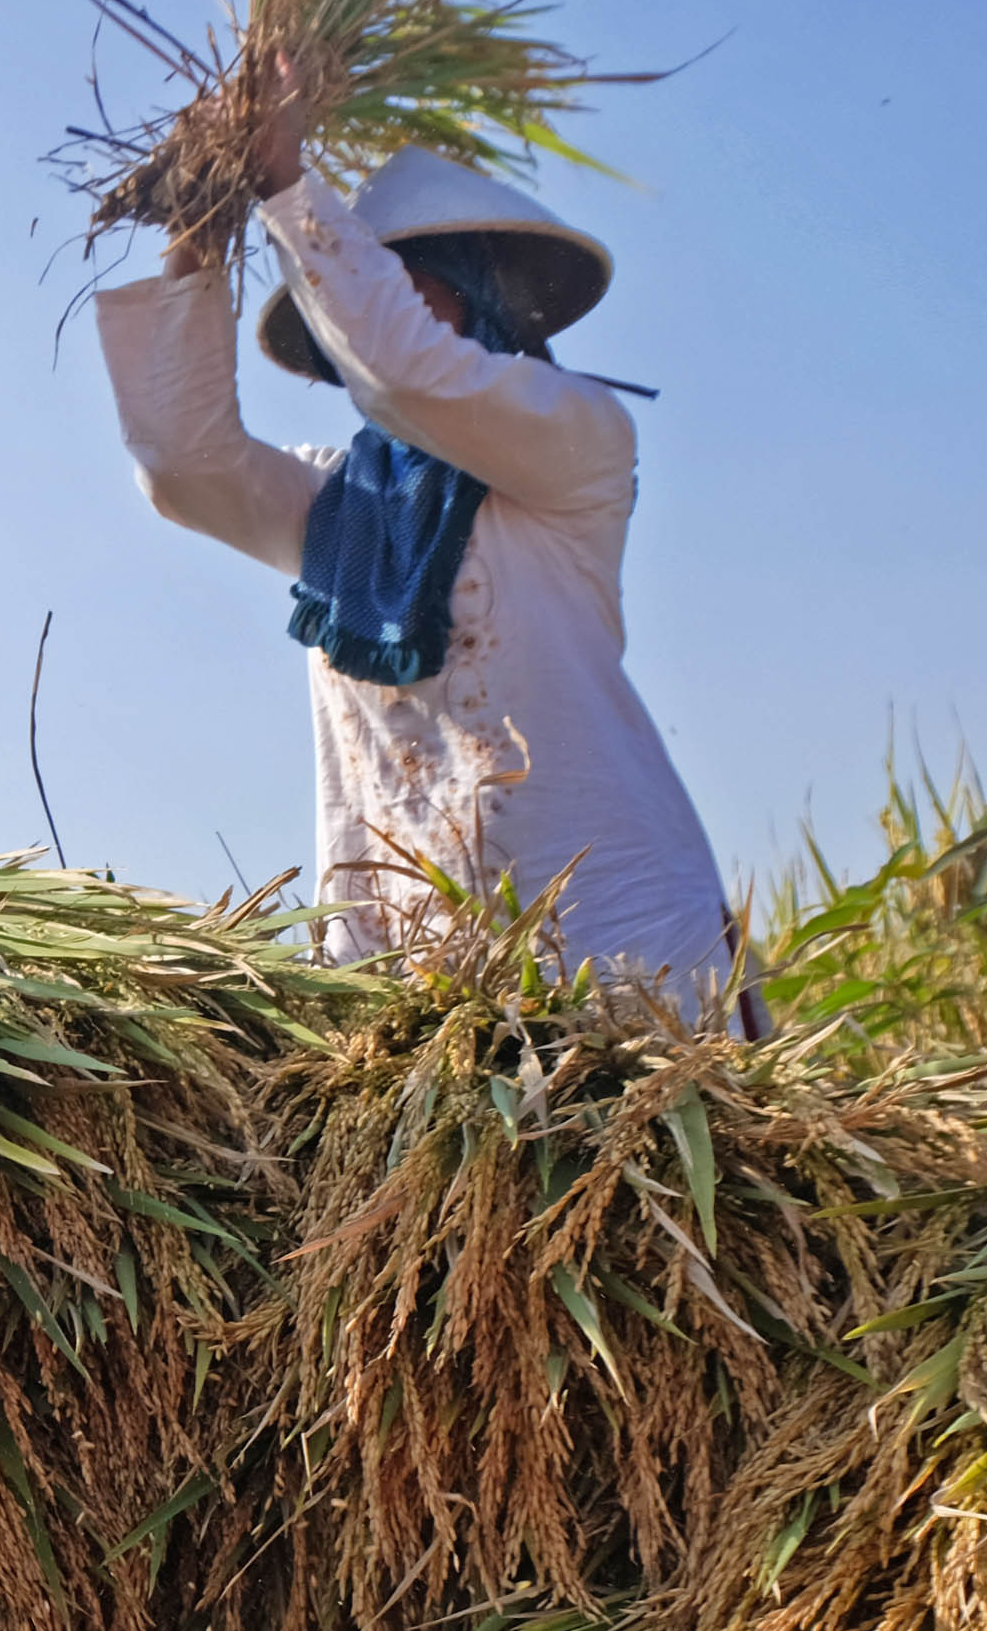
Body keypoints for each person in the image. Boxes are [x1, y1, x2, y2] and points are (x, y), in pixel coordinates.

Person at [93, 117, 752, 1021]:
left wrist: (290, 187)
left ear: (478, 301)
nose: (370, 317)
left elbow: (407, 378)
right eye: (364, 296)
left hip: (618, 961)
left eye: (410, 292)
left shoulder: (579, 443)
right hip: (412, 981)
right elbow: (183, 462)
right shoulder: (338, 510)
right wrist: (201, 243)